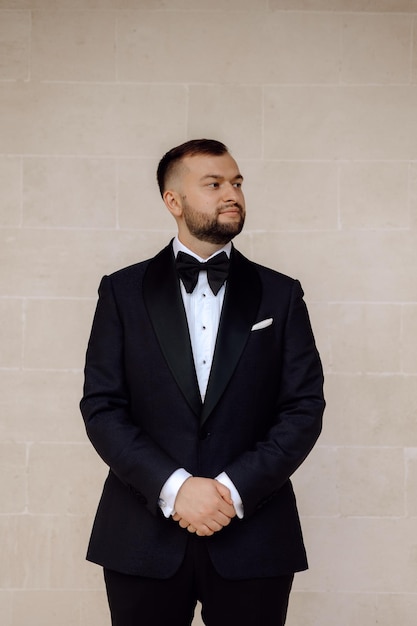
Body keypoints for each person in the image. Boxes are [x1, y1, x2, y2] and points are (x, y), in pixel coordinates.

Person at [80, 138, 325, 626]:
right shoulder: (121, 291)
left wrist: (230, 491)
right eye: (213, 184)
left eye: (236, 182)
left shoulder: (282, 294)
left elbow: (303, 409)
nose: (230, 193)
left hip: (254, 537)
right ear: (173, 202)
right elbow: (103, 408)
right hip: (141, 538)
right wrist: (175, 488)